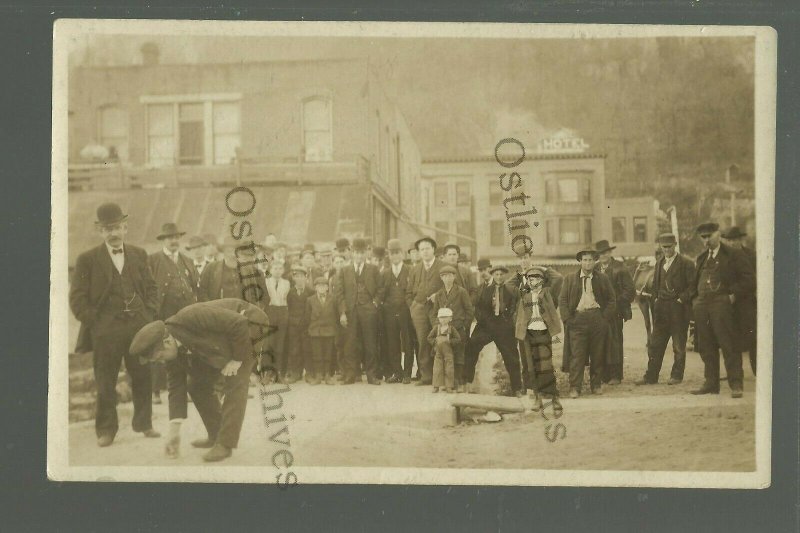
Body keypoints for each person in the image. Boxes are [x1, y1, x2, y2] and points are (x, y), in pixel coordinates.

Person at [129, 298, 268, 462]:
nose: (161, 362)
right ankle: (216, 433)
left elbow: (239, 323)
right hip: (223, 340)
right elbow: (176, 387)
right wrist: (174, 432)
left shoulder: (191, 316)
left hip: (249, 325)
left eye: (159, 357)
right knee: (196, 386)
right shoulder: (171, 350)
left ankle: (225, 444)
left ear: (167, 342)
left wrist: (236, 360)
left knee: (235, 381)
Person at [69, 203, 160, 447]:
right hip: (105, 332)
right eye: (108, 229)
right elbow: (77, 299)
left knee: (142, 375)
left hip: (138, 328)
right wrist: (96, 324)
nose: (113, 233)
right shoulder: (87, 259)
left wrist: (148, 316)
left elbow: (152, 289)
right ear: (100, 231)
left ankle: (144, 424)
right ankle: (106, 430)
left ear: (125, 227)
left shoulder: (139, 254)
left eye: (117, 227)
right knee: (105, 381)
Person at [689, 222, 755, 398]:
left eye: (709, 236)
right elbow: (695, 284)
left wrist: (732, 296)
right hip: (703, 307)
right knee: (706, 346)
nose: (706, 240)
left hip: (723, 306)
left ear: (718, 234)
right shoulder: (701, 258)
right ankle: (711, 383)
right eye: (703, 237)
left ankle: (735, 384)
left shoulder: (734, 255)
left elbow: (749, 280)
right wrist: (694, 300)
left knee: (729, 346)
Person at [148, 222, 199, 405]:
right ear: (163, 240)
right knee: (159, 351)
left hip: (184, 315)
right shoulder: (153, 260)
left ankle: (181, 389)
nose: (174, 241)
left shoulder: (188, 261)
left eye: (176, 237)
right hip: (162, 314)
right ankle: (155, 392)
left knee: (183, 351)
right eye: (170, 238)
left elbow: (194, 287)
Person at [636, 233, 696, 385]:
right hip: (661, 309)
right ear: (660, 247)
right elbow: (656, 286)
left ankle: (676, 376)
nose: (667, 250)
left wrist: (681, 299)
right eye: (664, 247)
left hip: (678, 309)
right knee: (656, 345)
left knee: (678, 345)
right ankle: (651, 376)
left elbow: (693, 286)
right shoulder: (658, 263)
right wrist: (656, 300)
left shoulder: (686, 263)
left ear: (675, 245)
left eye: (670, 246)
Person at [560, 248, 616, 398]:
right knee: (577, 355)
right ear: (580, 261)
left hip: (597, 319)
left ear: (595, 261)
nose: (588, 263)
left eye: (590, 260)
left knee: (597, 354)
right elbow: (563, 300)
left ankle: (596, 385)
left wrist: (604, 319)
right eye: (584, 260)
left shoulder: (602, 278)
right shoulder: (570, 278)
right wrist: (567, 320)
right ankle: (575, 387)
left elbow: (612, 300)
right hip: (577, 320)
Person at [464, 265, 524, 396]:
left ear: (505, 276)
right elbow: (478, 308)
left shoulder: (511, 290)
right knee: (471, 346)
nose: (499, 277)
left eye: (501, 274)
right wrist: (483, 320)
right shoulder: (485, 290)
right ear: (493, 275)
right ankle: (467, 382)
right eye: (496, 274)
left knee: (512, 356)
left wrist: (509, 321)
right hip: (486, 326)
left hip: (504, 327)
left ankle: (517, 388)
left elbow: (515, 307)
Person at [334, 237, 385, 385]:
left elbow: (381, 289)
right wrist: (343, 312)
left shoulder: (373, 269)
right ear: (352, 253)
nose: (359, 256)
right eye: (356, 252)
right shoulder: (344, 270)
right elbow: (340, 293)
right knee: (350, 344)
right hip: (350, 311)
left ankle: (371, 375)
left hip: (368, 311)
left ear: (366, 253)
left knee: (370, 344)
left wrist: (375, 303)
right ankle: (351, 374)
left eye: (362, 253)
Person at [514, 266, 562, 411]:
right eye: (530, 279)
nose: (533, 282)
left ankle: (554, 398)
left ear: (542, 281)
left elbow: (558, 278)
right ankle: (537, 398)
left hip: (543, 332)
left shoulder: (547, 293)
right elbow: (510, 285)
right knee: (531, 366)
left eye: (536, 278)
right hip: (528, 334)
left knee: (546, 366)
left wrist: (544, 268)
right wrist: (521, 273)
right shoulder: (525, 296)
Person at [594, 239, 635, 385]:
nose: (603, 256)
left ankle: (616, 375)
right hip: (600, 313)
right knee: (602, 342)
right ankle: (605, 375)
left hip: (616, 311)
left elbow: (630, 291)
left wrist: (615, 304)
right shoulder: (596, 268)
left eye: (605, 252)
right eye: (600, 253)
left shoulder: (620, 267)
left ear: (610, 252)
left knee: (615, 341)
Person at [429, 265, 474, 392]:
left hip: (458, 329)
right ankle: (444, 383)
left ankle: (458, 382)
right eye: (444, 276)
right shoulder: (439, 294)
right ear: (441, 278)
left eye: (450, 275)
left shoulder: (461, 291)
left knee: (459, 356)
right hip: (443, 331)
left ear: (454, 277)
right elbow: (433, 313)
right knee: (443, 357)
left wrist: (464, 326)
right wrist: (437, 327)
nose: (447, 278)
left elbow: (469, 311)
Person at [405, 236, 444, 386]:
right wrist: (413, 306)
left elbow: (451, 288)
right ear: (419, 252)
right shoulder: (415, 269)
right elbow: (408, 292)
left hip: (437, 310)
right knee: (422, 342)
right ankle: (426, 376)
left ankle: (439, 377)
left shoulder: (443, 266)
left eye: (427, 248)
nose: (425, 252)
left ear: (433, 249)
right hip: (419, 310)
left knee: (438, 341)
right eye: (422, 249)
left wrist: (438, 296)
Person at [721, 226, 757, 375]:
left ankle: (759, 372)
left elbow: (752, 280)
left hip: (747, 303)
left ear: (740, 240)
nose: (731, 243)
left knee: (753, 339)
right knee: (731, 341)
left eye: (734, 240)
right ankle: (736, 374)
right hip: (729, 305)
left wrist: (736, 292)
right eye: (728, 240)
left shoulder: (751, 255)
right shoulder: (723, 257)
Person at [198, 236, 268, 309]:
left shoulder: (252, 271)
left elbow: (264, 297)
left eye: (235, 250)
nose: (232, 254)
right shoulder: (211, 268)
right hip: (218, 314)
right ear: (223, 251)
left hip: (242, 315)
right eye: (228, 250)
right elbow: (202, 292)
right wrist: (211, 309)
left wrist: (252, 312)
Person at [380, 239, 414, 383]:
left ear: (402, 253)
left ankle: (407, 373)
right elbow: (382, 292)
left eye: (397, 253)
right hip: (390, 313)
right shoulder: (385, 273)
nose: (394, 256)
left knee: (408, 342)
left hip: (406, 312)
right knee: (392, 343)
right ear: (389, 255)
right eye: (391, 253)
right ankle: (397, 372)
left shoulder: (410, 270)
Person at [306, 277, 338, 385]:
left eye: (324, 286)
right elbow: (307, 316)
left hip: (329, 330)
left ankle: (327, 375)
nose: (321, 288)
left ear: (327, 288)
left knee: (328, 353)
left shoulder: (333, 299)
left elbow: (336, 315)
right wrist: (311, 328)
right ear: (315, 288)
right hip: (315, 331)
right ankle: (318, 375)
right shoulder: (310, 300)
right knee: (317, 353)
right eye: (319, 286)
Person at [285, 265, 314, 383]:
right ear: (294, 278)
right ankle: (296, 373)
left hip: (306, 325)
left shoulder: (311, 292)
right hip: (293, 326)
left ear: (306, 278)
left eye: (302, 276)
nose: (300, 279)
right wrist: (292, 321)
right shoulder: (290, 292)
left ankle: (309, 373)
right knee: (294, 349)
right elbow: (289, 308)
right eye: (297, 276)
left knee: (307, 349)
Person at [265, 261, 291, 381]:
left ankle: (279, 372)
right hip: (270, 311)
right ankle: (268, 373)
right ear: (270, 270)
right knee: (269, 342)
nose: (277, 271)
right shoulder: (266, 282)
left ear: (283, 270)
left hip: (282, 311)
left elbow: (287, 299)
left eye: (280, 268)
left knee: (280, 343)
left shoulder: (286, 283)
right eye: (275, 268)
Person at [428, 307, 461, 393]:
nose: (443, 320)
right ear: (438, 318)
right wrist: (435, 342)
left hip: (448, 353)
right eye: (441, 318)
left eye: (445, 318)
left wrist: (450, 341)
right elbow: (429, 337)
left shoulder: (451, 329)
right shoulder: (436, 328)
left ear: (450, 318)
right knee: (437, 369)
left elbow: (458, 339)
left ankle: (449, 386)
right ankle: (436, 386)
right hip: (438, 353)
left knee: (449, 368)